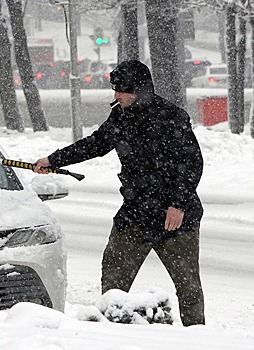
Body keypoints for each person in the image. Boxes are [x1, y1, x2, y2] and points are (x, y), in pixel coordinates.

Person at [34, 60, 205, 326]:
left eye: (122, 90)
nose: (116, 96)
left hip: (176, 218)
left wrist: (178, 204)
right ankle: (113, 333)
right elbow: (95, 144)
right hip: (136, 213)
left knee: (189, 288)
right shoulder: (121, 116)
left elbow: (192, 163)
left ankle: (198, 337)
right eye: (115, 89)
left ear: (141, 89)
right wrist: (54, 160)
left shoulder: (172, 117)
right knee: (113, 280)